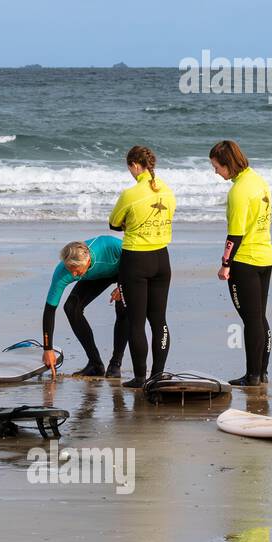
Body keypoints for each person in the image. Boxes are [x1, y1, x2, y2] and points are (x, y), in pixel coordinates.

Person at [109, 145, 175, 388]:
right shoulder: (167, 191)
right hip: (162, 259)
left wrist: (132, 224)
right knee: (159, 321)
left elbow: (114, 223)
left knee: (136, 322)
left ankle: (139, 377)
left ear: (135, 165)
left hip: (136, 260)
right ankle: (157, 375)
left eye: (130, 168)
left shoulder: (131, 193)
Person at [209, 139, 272, 386]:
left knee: (251, 320)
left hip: (244, 261)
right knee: (259, 317)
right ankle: (262, 372)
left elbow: (235, 234)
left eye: (217, 166)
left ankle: (252, 375)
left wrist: (225, 264)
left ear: (228, 164)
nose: (215, 171)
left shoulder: (238, 191)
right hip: (265, 256)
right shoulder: (258, 181)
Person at [41, 236, 127, 379]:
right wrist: (47, 348)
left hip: (124, 270)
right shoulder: (63, 271)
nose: (73, 274)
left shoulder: (110, 246)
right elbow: (49, 309)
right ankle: (95, 363)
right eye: (70, 269)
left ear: (87, 261)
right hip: (95, 276)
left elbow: (136, 262)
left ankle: (115, 364)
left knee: (123, 307)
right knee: (71, 307)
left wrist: (124, 287)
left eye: (75, 270)